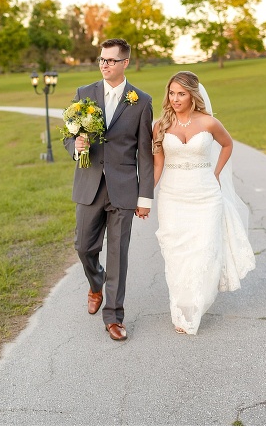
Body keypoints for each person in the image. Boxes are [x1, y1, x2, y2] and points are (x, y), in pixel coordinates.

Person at [63, 38, 154, 341]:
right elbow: (68, 135)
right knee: (83, 247)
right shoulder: (83, 94)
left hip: (124, 190)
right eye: (102, 59)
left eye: (111, 60)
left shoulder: (141, 101)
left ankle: (114, 316)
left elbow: (145, 153)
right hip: (89, 184)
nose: (104, 65)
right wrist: (75, 146)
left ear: (125, 63)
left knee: (117, 254)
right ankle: (95, 282)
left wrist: (144, 197)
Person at [152, 71, 256, 335]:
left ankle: (195, 305)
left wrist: (216, 172)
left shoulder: (209, 123)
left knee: (204, 251)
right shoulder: (161, 126)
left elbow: (227, 145)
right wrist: (144, 196)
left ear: (193, 95)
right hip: (172, 196)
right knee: (175, 254)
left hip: (205, 195)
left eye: (181, 94)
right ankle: (181, 308)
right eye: (172, 93)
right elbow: (158, 164)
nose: (175, 98)